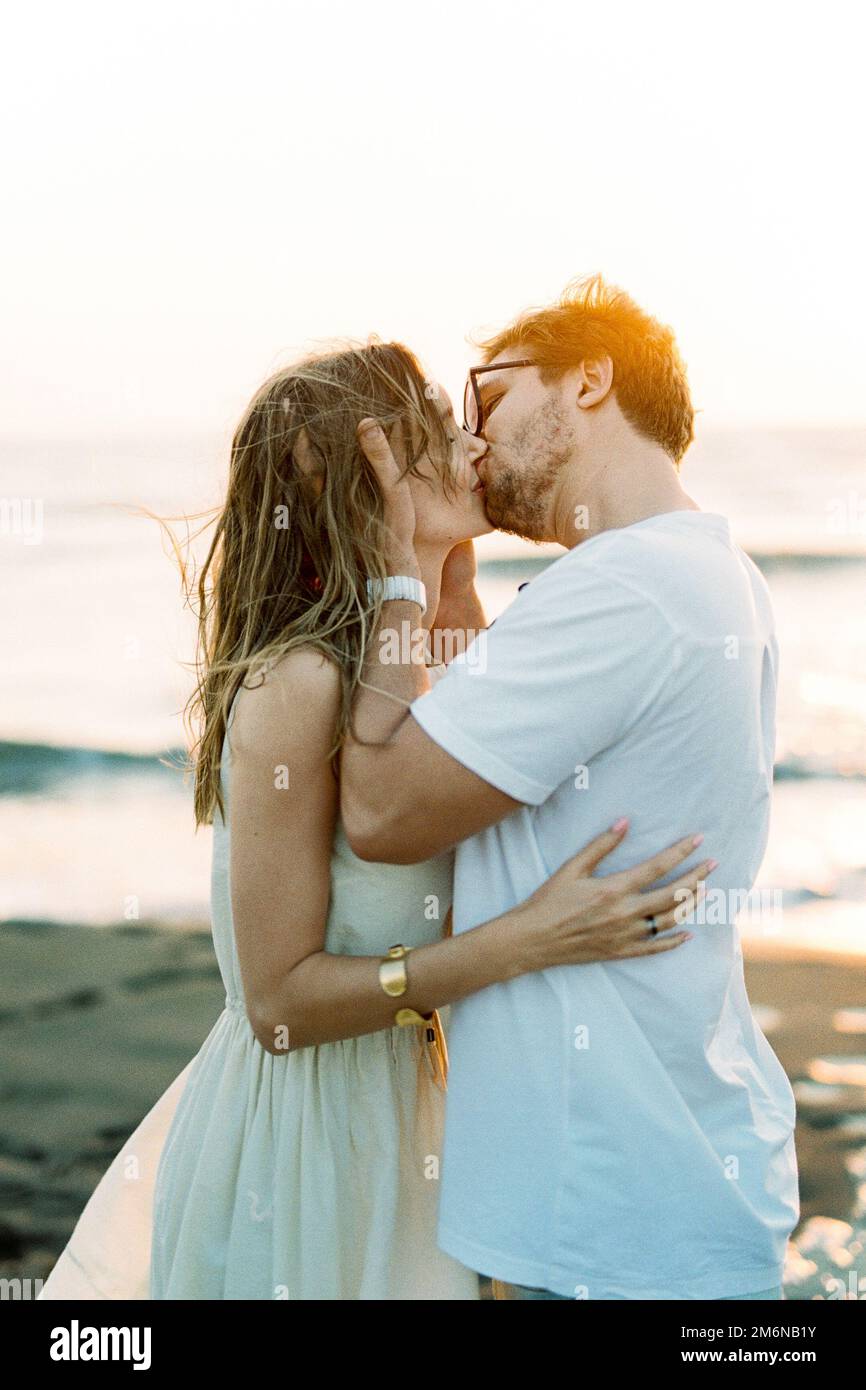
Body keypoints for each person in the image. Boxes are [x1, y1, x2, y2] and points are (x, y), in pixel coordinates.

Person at [39, 338, 707, 1301]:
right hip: (307, 1151)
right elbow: (276, 1006)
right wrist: (528, 942)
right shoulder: (299, 682)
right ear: (362, 474)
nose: (476, 448)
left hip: (412, 1122)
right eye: (439, 432)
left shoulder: (412, 660)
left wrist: (445, 577)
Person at [340, 277, 800, 1301]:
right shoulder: (701, 571)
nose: (468, 440)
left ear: (588, 378)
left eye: (485, 398)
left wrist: (392, 569)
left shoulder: (620, 590)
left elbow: (382, 808)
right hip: (657, 1173)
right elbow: (483, 755)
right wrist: (452, 574)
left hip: (603, 1212)